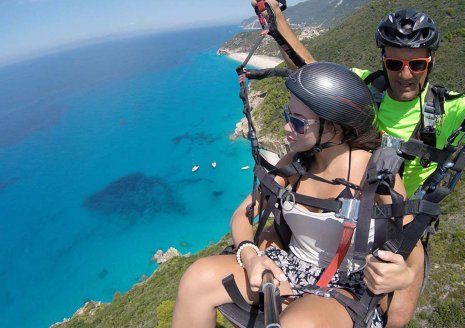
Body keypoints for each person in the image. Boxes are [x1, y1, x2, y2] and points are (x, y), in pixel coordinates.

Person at [172, 62, 424, 328]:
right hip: (288, 266)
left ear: (334, 128)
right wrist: (251, 258)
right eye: (287, 116)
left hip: (346, 285)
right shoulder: (297, 162)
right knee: (196, 279)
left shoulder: (378, 174)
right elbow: (242, 216)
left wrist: (403, 275)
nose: (286, 128)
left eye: (297, 122)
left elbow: (411, 245)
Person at [256, 0, 465, 199]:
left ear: (431, 62)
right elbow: (310, 72)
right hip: (344, 206)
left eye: (417, 64)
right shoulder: (364, 86)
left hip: (399, 223)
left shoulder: (452, 109)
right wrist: (276, 16)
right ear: (383, 60)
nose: (405, 75)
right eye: (394, 64)